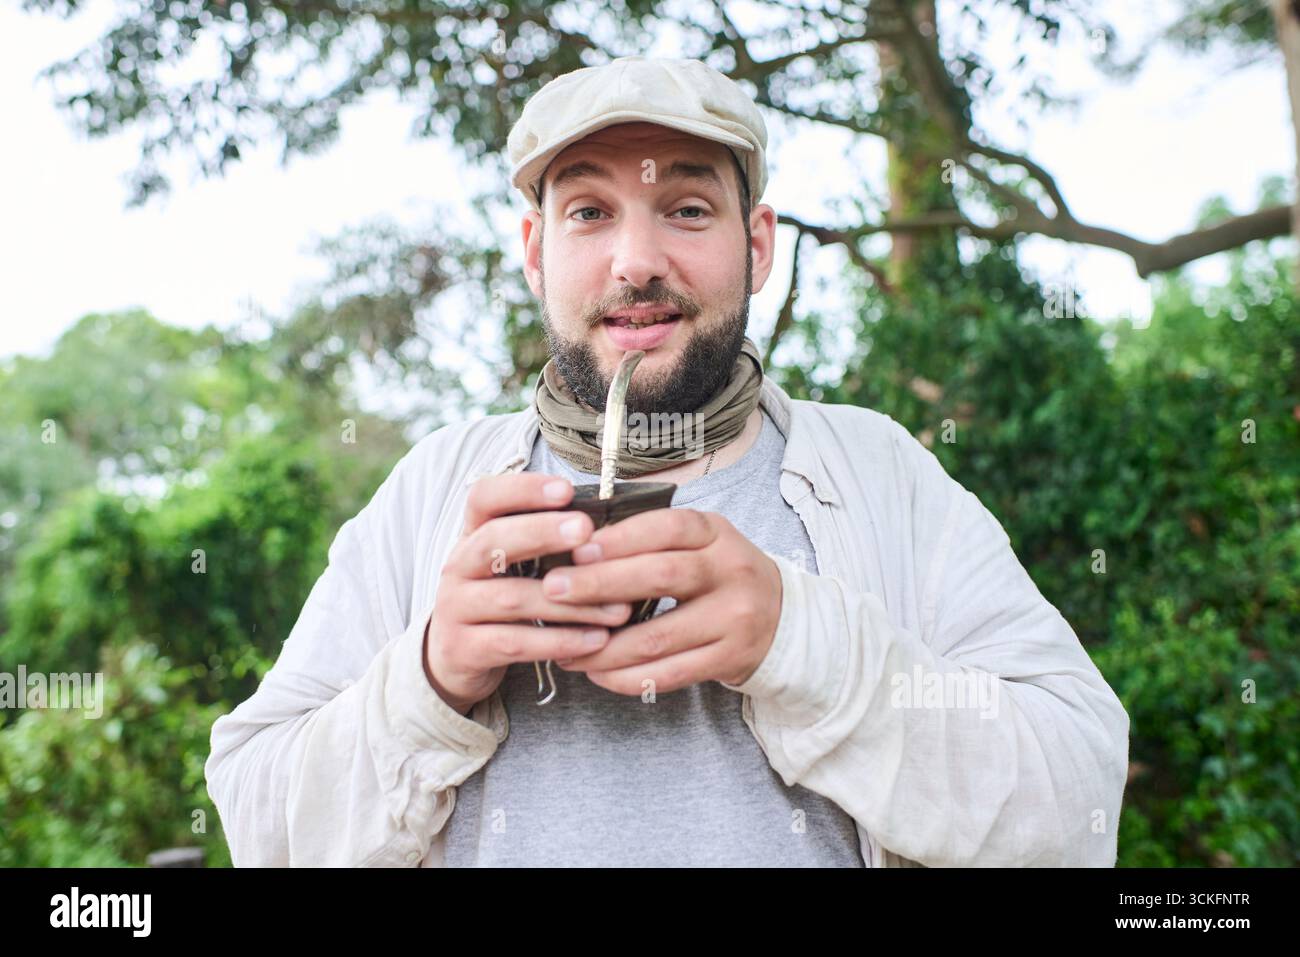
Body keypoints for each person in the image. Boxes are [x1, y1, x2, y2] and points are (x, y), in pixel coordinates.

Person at [205, 56, 1130, 867]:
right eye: (588, 213)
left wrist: (799, 641)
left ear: (756, 244)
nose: (636, 261)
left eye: (687, 208)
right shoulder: (433, 491)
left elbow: (1076, 805)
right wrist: (432, 676)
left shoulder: (883, 474)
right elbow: (261, 825)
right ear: (536, 251)